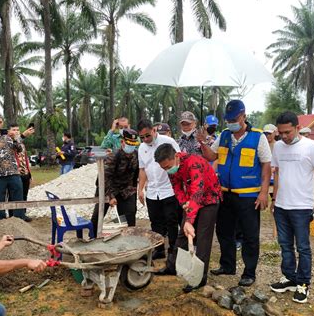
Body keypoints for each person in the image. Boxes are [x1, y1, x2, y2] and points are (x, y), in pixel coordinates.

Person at [198, 99, 272, 287]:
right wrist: (202, 143)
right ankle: (227, 265)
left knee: (249, 235)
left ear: (243, 116)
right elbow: (211, 156)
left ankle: (249, 272)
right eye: (228, 119)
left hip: (248, 195)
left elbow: (266, 166)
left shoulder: (258, 137)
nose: (231, 122)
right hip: (224, 193)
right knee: (224, 231)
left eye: (234, 118)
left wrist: (264, 192)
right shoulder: (223, 135)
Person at [269, 111, 314, 304]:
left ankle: (303, 283)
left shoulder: (311, 147)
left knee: (303, 247)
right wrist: (275, 198)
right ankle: (289, 278)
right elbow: (277, 173)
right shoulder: (277, 146)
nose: (284, 136)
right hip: (281, 205)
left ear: (297, 128)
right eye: (281, 133)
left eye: (287, 132)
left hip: (301, 207)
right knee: (285, 245)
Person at [154, 143, 221, 292]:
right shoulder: (171, 168)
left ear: (176, 156)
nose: (167, 170)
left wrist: (190, 220)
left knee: (203, 237)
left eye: (168, 166)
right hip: (192, 200)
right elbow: (176, 187)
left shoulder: (194, 163)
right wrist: (184, 202)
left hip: (209, 200)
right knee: (182, 235)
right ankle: (171, 266)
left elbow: (198, 191)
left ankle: (200, 278)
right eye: (163, 168)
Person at [137, 119, 180, 260]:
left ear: (154, 130)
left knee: (171, 221)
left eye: (147, 135)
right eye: (142, 137)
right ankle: (159, 249)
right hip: (152, 191)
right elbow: (143, 170)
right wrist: (140, 189)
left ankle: (174, 251)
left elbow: (179, 160)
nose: (145, 139)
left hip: (168, 189)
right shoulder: (141, 148)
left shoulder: (168, 141)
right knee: (155, 222)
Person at [91, 129, 140, 234]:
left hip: (126, 189)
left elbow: (135, 176)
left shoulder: (136, 155)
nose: (131, 147)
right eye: (128, 144)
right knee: (98, 216)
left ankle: (129, 240)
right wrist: (110, 196)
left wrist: (134, 192)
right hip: (108, 187)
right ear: (122, 142)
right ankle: (93, 237)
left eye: (133, 144)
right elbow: (104, 177)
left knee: (129, 216)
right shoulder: (114, 156)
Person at [7, 124, 35, 222]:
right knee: (12, 195)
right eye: (14, 130)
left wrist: (29, 173)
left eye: (18, 130)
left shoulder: (21, 144)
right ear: (9, 132)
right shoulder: (8, 142)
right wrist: (23, 135)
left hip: (25, 173)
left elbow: (25, 159)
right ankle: (12, 215)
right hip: (15, 174)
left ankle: (22, 214)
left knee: (24, 195)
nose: (16, 131)